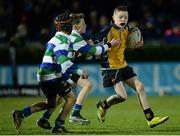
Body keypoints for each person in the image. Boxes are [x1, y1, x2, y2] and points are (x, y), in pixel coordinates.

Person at [94, 6, 169, 128]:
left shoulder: (126, 29)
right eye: (120, 17)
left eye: (126, 17)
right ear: (113, 18)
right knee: (123, 97)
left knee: (140, 87)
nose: (123, 19)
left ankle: (151, 118)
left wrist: (138, 43)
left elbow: (128, 42)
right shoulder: (106, 30)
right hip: (110, 68)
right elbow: (92, 43)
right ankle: (103, 105)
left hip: (123, 65)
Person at [12, 12, 86, 134]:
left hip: (47, 75)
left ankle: (22, 114)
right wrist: (79, 71)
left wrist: (66, 79)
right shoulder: (62, 39)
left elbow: (58, 62)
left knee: (52, 103)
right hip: (50, 76)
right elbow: (63, 61)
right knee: (71, 98)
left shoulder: (58, 38)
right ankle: (58, 126)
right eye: (67, 25)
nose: (68, 26)